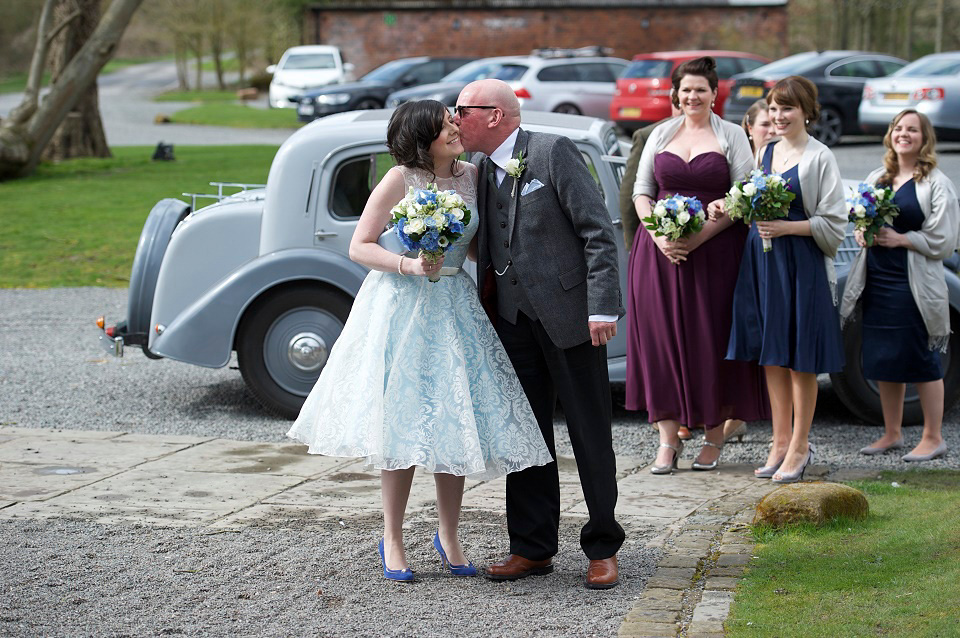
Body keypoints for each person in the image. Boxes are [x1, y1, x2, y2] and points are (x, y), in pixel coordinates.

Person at [287, 100, 553, 582]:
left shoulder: (473, 176)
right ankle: (393, 536)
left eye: (454, 121)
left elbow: (477, 243)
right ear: (422, 138)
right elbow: (359, 245)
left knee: (454, 418)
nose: (456, 128)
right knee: (403, 421)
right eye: (445, 125)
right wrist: (409, 263)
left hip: (454, 303)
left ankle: (448, 534)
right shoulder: (400, 179)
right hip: (402, 305)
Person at [454, 79, 625, 590]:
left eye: (461, 110)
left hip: (572, 317)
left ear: (494, 115)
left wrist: (602, 307)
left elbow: (599, 232)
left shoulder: (554, 152)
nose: (453, 117)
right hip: (511, 321)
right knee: (525, 437)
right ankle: (532, 547)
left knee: (589, 431)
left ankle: (602, 546)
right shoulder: (481, 169)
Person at [627, 56, 769, 475]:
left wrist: (699, 238)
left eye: (700, 90)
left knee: (711, 341)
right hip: (658, 255)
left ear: (714, 93)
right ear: (676, 93)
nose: (692, 96)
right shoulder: (660, 133)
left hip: (717, 254)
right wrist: (661, 240)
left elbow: (745, 194)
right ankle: (668, 441)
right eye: (685, 90)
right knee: (660, 344)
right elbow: (641, 191)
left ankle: (713, 436)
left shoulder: (730, 136)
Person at [721, 76, 846, 483]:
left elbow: (834, 222)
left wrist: (788, 228)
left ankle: (800, 444)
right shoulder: (767, 151)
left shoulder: (820, 157)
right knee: (772, 354)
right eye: (773, 108)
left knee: (800, 359)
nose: (778, 116)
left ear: (807, 111)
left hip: (801, 266)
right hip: (763, 262)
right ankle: (778, 440)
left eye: (787, 108)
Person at [840, 109, 958, 462]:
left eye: (912, 130)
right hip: (876, 278)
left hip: (912, 283)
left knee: (921, 359)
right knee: (882, 357)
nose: (903, 134)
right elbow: (861, 213)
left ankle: (933, 437)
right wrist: (862, 232)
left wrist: (902, 239)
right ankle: (891, 434)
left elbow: (945, 239)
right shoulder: (879, 176)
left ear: (924, 139)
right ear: (891, 135)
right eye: (898, 128)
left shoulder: (936, 182)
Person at [720, 98, 777, 445]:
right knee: (745, 336)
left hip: (772, 255)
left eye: (775, 122)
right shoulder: (742, 162)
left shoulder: (786, 161)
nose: (771, 129)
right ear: (749, 128)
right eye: (764, 124)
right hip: (739, 256)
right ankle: (739, 413)